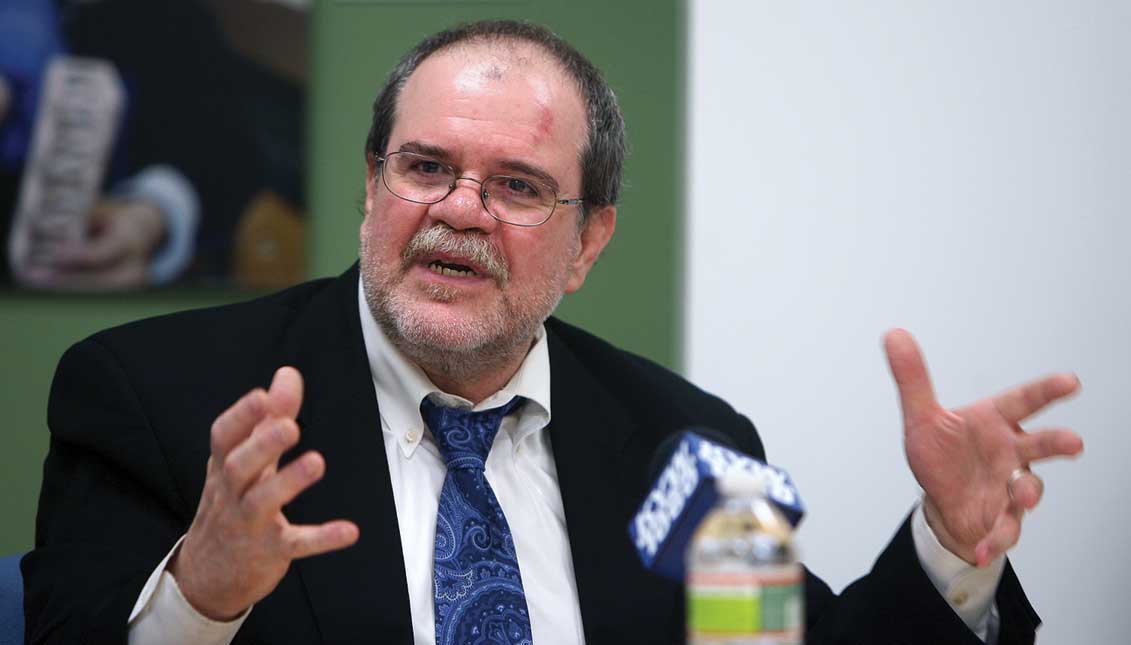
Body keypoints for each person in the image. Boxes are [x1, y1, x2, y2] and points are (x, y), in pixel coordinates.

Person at [22, 19, 1083, 645]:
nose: (459, 210)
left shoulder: (689, 442)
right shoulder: (160, 395)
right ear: (371, 188)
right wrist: (203, 594)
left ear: (588, 243)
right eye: (427, 167)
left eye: (519, 186)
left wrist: (952, 544)